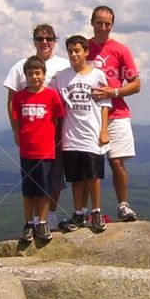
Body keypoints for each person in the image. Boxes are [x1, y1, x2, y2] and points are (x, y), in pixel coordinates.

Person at [3, 24, 70, 219]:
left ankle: (50, 216)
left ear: (55, 41)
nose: (45, 42)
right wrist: (16, 131)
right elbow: (11, 102)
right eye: (40, 38)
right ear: (34, 41)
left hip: (57, 129)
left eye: (49, 38)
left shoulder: (64, 65)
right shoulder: (20, 66)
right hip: (32, 135)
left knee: (56, 176)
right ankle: (34, 220)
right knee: (32, 180)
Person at [51, 35, 110, 233]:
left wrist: (103, 131)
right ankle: (78, 212)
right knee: (76, 178)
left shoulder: (97, 75)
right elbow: (51, 98)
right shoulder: (62, 76)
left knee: (93, 176)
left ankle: (96, 211)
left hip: (92, 135)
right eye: (70, 51)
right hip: (71, 136)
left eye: (77, 50)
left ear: (86, 52)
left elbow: (104, 105)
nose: (73, 54)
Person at [87, 5, 140, 222]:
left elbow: (136, 84)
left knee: (116, 161)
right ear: (92, 22)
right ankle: (89, 210)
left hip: (117, 113)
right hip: (88, 115)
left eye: (107, 23)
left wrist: (113, 91)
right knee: (88, 164)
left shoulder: (120, 50)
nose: (103, 27)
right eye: (99, 22)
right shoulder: (83, 47)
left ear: (112, 25)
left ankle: (123, 205)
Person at [10, 56, 65, 244]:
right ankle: (28, 223)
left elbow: (56, 120)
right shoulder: (20, 97)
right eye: (30, 73)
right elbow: (17, 120)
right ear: (25, 75)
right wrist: (17, 134)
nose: (34, 77)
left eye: (38, 73)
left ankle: (42, 222)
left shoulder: (51, 95)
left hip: (46, 151)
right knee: (28, 190)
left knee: (43, 189)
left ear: (44, 74)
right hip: (27, 151)